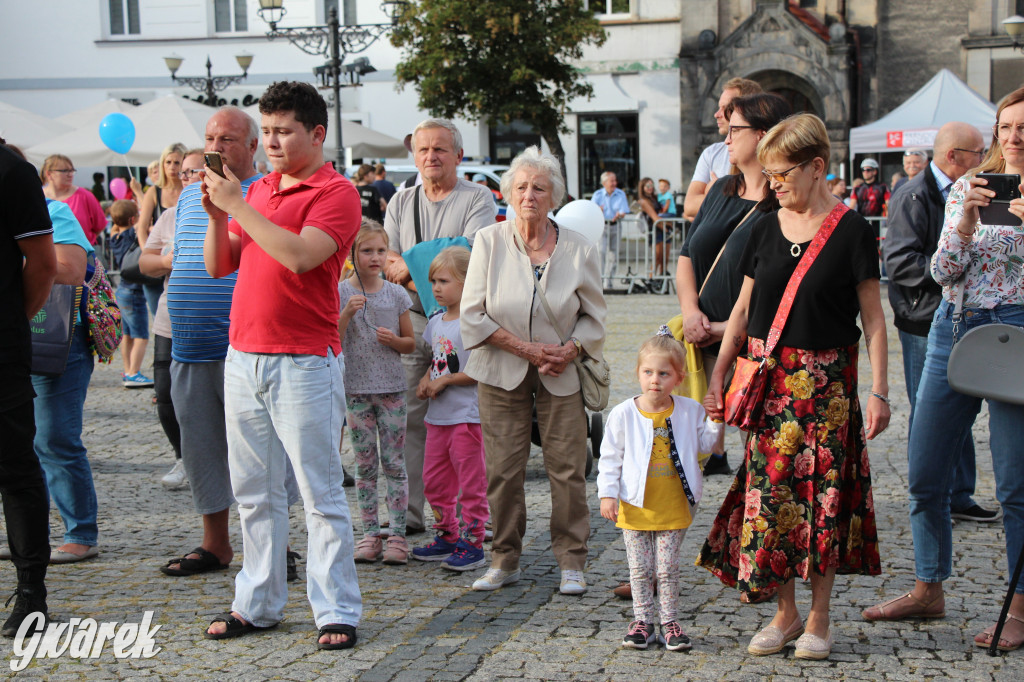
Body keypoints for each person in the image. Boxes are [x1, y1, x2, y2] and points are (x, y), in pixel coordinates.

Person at [697, 113, 889, 660]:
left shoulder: (853, 230)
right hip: (769, 383)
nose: (774, 183)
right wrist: (718, 372)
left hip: (828, 388)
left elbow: (875, 321)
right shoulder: (763, 224)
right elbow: (741, 309)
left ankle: (820, 620)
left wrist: (879, 391)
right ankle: (784, 615)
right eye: (770, 174)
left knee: (823, 503)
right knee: (769, 497)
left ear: (816, 167)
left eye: (782, 174)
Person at [863, 86, 1024, 652]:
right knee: (925, 471)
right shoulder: (965, 188)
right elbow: (941, 269)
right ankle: (928, 587)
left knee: (1014, 485)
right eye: (1006, 127)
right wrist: (967, 220)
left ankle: (1020, 608)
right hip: (953, 327)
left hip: (1017, 334)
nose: (1013, 137)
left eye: (1022, 127)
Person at [202, 81, 362, 649]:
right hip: (243, 355)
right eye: (265, 130)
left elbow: (299, 257)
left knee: (320, 493)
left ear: (316, 133)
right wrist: (219, 217)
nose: (270, 141)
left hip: (303, 362)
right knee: (254, 492)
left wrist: (238, 204)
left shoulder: (336, 192)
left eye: (282, 130)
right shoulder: (260, 188)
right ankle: (258, 603)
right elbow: (221, 264)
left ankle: (337, 608)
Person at [160, 107, 301, 583]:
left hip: (249, 345)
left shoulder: (265, 193)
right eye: (210, 137)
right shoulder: (187, 197)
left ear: (252, 146)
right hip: (189, 343)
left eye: (228, 139)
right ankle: (215, 543)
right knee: (201, 448)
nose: (216, 147)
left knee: (265, 454)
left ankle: (276, 547)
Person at [462, 146, 606, 594]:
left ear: (554, 197)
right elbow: (472, 314)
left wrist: (570, 349)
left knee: (567, 469)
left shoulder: (579, 248)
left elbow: (594, 316)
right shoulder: (489, 240)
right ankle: (504, 559)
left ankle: (572, 562)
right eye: (521, 187)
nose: (529, 195)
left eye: (539, 188)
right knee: (503, 470)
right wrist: (525, 348)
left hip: (560, 372)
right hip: (500, 369)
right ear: (508, 194)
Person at [383, 118, 495, 535]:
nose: (431, 156)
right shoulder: (400, 201)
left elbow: (469, 258)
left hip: (462, 325)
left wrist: (412, 266)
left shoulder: (477, 197)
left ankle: (472, 518)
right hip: (412, 321)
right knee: (412, 417)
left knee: (469, 422)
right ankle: (411, 515)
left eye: (440, 149)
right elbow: (387, 261)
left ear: (459, 156)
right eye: (423, 149)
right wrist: (436, 271)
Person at [881, 121, 996, 523]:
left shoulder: (970, 189)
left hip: (956, 313)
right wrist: (948, 270)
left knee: (959, 404)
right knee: (929, 410)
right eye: (979, 152)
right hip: (921, 317)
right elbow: (898, 262)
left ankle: (958, 494)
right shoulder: (914, 194)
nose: (984, 159)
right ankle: (933, 496)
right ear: (954, 157)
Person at [676, 93, 791, 479]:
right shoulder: (720, 189)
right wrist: (692, 313)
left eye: (734, 129)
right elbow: (687, 257)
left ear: (761, 135)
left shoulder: (784, 203)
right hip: (702, 342)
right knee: (691, 452)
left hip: (756, 345)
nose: (725, 139)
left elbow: (786, 286)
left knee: (764, 459)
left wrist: (729, 329)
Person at [598, 332, 723, 651]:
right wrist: (607, 493)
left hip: (673, 507)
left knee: (667, 568)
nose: (655, 380)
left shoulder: (689, 410)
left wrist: (716, 420)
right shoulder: (624, 413)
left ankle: (669, 621)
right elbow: (611, 456)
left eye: (664, 373)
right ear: (638, 373)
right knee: (639, 570)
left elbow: (705, 446)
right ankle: (642, 621)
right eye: (648, 372)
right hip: (635, 508)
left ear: (679, 378)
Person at [0, 136, 56, 635]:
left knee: (14, 467)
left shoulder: (11, 172)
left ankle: (31, 591)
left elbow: (42, 264)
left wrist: (12, 323)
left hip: (0, 351)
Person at [339, 221, 415, 566]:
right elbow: (332, 339)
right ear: (353, 254)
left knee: (395, 463)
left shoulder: (397, 294)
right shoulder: (341, 292)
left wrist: (393, 341)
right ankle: (370, 534)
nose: (375, 257)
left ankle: (397, 534)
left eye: (381, 251)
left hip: (392, 390)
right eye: (367, 250)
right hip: (356, 390)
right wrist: (346, 314)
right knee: (365, 466)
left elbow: (410, 342)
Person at [411, 247, 488, 572]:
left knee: (471, 484)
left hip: (466, 419)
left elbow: (478, 370)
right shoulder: (436, 322)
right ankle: (446, 534)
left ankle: (473, 542)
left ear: (467, 282)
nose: (436, 288)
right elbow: (437, 362)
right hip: (437, 419)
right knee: (434, 481)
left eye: (443, 281)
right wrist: (428, 379)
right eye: (432, 282)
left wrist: (443, 383)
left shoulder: (474, 323)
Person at [34, 195, 101, 564]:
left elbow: (71, 271)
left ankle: (80, 533)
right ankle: (27, 534)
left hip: (55, 338)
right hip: (13, 338)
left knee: (54, 438)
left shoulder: (51, 210)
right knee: (18, 444)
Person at [139, 148, 206, 489]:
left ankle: (215, 460)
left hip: (214, 321)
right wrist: (167, 262)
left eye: (194, 172)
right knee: (165, 394)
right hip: (170, 319)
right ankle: (182, 458)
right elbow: (144, 262)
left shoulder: (224, 211)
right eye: (184, 173)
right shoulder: (170, 216)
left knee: (213, 398)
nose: (187, 178)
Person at [682, 78, 763, 221]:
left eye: (725, 108)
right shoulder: (712, 153)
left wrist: (715, 192)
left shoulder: (769, 155)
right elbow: (689, 206)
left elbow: (760, 201)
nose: (717, 114)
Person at [132, 143, 187, 316]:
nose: (172, 167)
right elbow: (141, 229)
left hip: (183, 264)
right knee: (159, 315)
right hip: (159, 262)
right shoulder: (154, 192)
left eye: (177, 163)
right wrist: (149, 254)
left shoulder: (190, 189)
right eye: (168, 162)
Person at [107, 199, 153, 388]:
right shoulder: (132, 234)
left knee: (127, 334)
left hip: (122, 290)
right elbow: (141, 225)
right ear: (134, 219)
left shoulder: (113, 236)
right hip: (135, 291)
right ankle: (134, 372)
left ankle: (127, 369)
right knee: (141, 335)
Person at [40, 154, 106, 245]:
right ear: (49, 174)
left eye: (72, 170)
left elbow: (100, 225)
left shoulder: (85, 196)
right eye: (64, 171)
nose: (70, 174)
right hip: (49, 255)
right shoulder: (38, 198)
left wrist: (85, 245)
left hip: (83, 255)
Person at [590, 171, 630, 288]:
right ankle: (599, 280)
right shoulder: (597, 194)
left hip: (615, 225)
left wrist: (620, 214)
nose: (614, 183)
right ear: (604, 183)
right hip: (602, 225)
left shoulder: (620, 194)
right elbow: (591, 210)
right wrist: (597, 210)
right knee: (600, 252)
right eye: (611, 181)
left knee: (614, 254)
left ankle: (610, 281)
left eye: (615, 180)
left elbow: (624, 210)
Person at [637, 177, 667, 281]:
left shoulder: (655, 198)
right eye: (647, 186)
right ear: (643, 187)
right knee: (657, 257)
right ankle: (650, 278)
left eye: (651, 185)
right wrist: (667, 227)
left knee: (664, 257)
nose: (650, 188)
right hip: (654, 229)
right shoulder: (644, 201)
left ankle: (662, 279)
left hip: (661, 228)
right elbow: (654, 217)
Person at [852, 158, 889, 223]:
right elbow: (852, 206)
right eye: (863, 170)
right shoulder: (857, 188)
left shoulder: (883, 187)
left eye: (868, 170)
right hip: (862, 221)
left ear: (875, 171)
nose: (865, 172)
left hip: (878, 222)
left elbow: (888, 204)